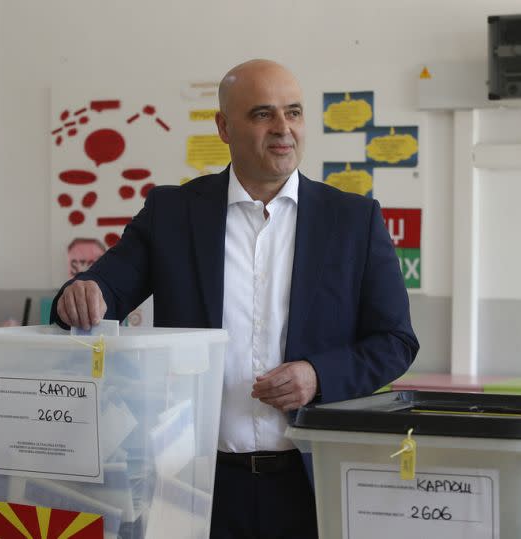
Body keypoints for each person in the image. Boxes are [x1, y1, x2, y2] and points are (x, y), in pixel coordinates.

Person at [52, 59, 419, 539]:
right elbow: (101, 291)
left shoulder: (353, 220)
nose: (283, 129)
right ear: (224, 127)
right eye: (263, 114)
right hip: (195, 484)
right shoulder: (173, 213)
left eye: (294, 112)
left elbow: (395, 341)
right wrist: (83, 295)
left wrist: (318, 375)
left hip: (311, 481)